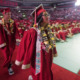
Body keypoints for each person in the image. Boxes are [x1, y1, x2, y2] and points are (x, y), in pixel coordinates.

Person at [15, 4, 57, 80]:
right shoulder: (33, 32)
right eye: (45, 15)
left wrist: (53, 51)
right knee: (39, 74)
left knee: (47, 71)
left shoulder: (48, 30)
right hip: (39, 59)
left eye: (48, 14)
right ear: (40, 17)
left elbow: (52, 43)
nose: (48, 16)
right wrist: (20, 58)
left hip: (48, 57)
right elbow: (23, 45)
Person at [0, 8, 20, 75]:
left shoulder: (12, 22)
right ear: (4, 14)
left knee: (10, 53)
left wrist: (17, 39)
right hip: (5, 42)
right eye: (8, 14)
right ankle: (9, 68)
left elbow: (16, 31)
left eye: (10, 14)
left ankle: (9, 62)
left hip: (11, 41)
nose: (9, 15)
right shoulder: (0, 23)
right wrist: (2, 43)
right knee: (6, 54)